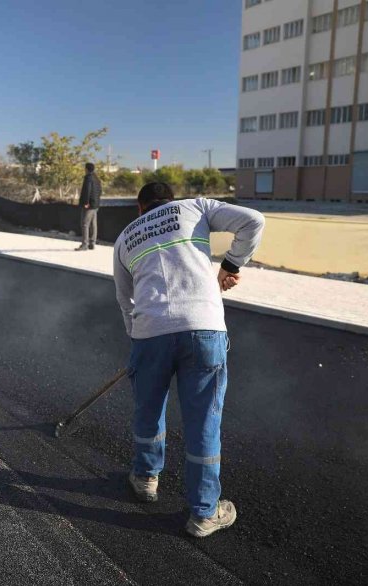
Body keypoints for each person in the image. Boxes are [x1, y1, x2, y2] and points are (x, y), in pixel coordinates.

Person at [113, 182, 264, 538]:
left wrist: (140, 340)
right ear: (169, 199)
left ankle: (146, 479)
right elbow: (253, 221)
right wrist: (231, 264)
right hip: (203, 328)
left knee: (148, 410)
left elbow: (125, 301)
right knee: (203, 423)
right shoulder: (195, 207)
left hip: (150, 333)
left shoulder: (124, 238)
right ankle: (203, 513)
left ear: (140, 208)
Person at [76, 162, 102, 251]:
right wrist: (96, 201)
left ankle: (85, 244)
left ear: (86, 169)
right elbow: (100, 191)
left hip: (89, 205)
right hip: (96, 204)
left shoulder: (88, 178)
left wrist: (86, 202)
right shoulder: (96, 178)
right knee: (93, 224)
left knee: (85, 224)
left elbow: (87, 190)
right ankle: (92, 243)